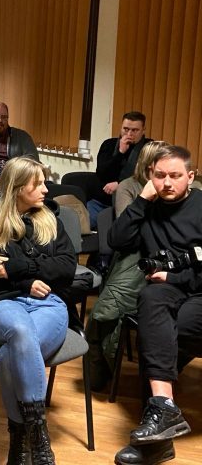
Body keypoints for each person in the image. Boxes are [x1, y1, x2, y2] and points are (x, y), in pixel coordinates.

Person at [0, 157, 76, 465]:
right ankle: (39, 436)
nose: (45, 189)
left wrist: (17, 267)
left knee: (11, 354)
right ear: (16, 188)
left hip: (49, 303)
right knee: (21, 332)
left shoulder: (51, 221)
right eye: (37, 184)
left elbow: (66, 269)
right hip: (3, 302)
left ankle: (19, 439)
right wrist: (25, 282)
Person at [109, 145, 202, 465]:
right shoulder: (147, 206)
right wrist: (141, 200)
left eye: (175, 176)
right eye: (160, 175)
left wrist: (175, 277)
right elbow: (116, 240)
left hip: (197, 288)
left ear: (191, 176)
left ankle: (156, 439)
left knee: (162, 336)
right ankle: (163, 410)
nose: (167, 182)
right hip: (166, 288)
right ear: (150, 175)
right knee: (150, 300)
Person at [85, 141, 168, 393]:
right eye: (160, 169)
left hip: (164, 256)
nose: (166, 177)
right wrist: (146, 203)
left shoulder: (176, 190)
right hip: (133, 254)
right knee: (106, 309)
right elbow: (126, 234)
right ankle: (100, 368)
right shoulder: (129, 187)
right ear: (148, 166)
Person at [87, 111, 151, 228]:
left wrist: (121, 184)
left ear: (143, 130)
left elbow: (147, 175)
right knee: (87, 227)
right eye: (126, 129)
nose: (129, 134)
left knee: (123, 229)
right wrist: (120, 152)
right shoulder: (109, 144)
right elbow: (101, 173)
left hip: (132, 201)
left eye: (135, 130)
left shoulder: (149, 147)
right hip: (102, 201)